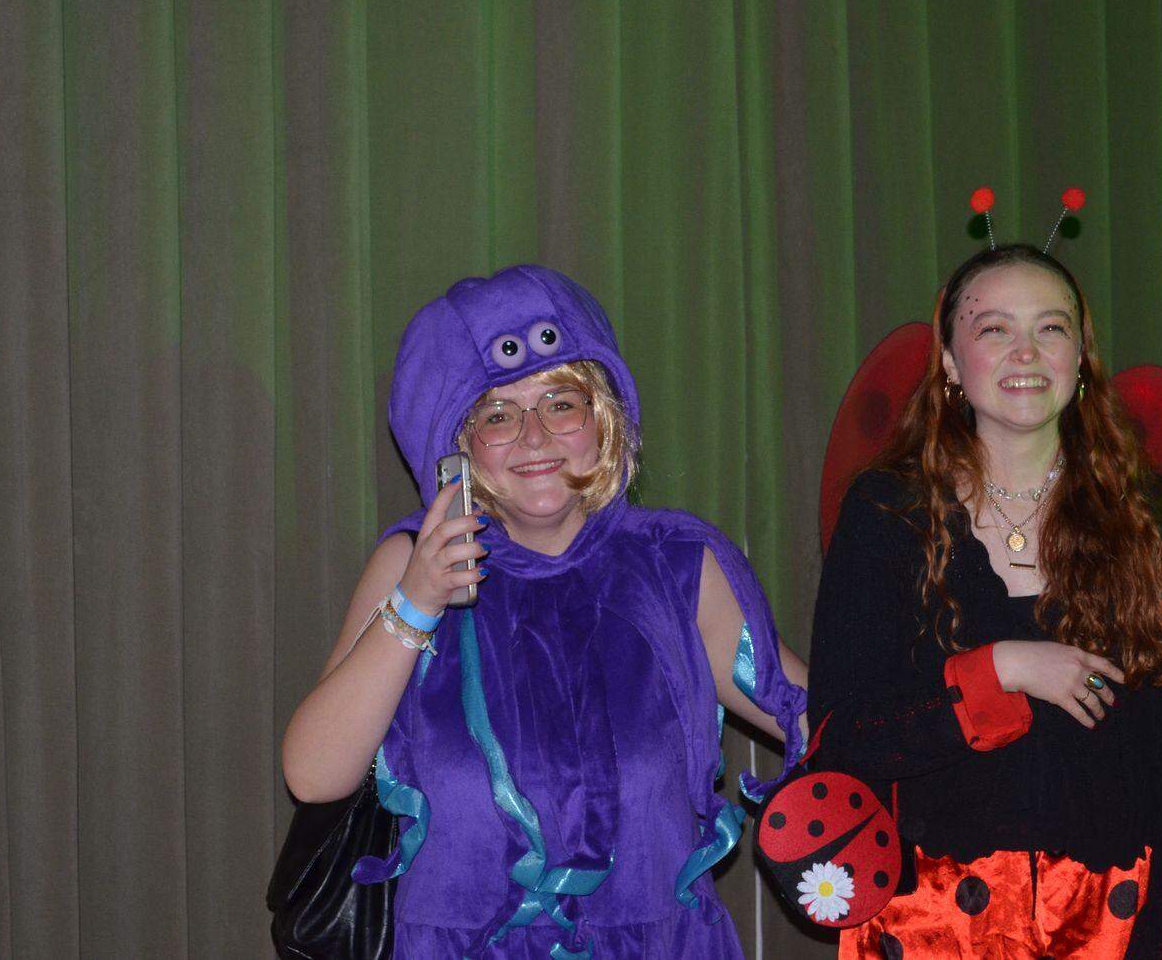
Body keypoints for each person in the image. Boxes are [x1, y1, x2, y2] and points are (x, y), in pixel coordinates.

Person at [281, 265, 807, 958]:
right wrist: (417, 601)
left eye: (561, 403)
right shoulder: (411, 565)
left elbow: (824, 721)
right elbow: (314, 775)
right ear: (458, 443)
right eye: (498, 414)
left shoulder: (676, 568)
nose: (534, 436)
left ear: (603, 418)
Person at [808, 244, 1162, 958]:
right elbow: (847, 736)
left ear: (1080, 356)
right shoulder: (887, 514)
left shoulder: (1150, 516)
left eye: (1051, 328)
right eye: (994, 328)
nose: (1025, 352)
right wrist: (1001, 670)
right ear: (949, 361)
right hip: (929, 928)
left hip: (1110, 927)